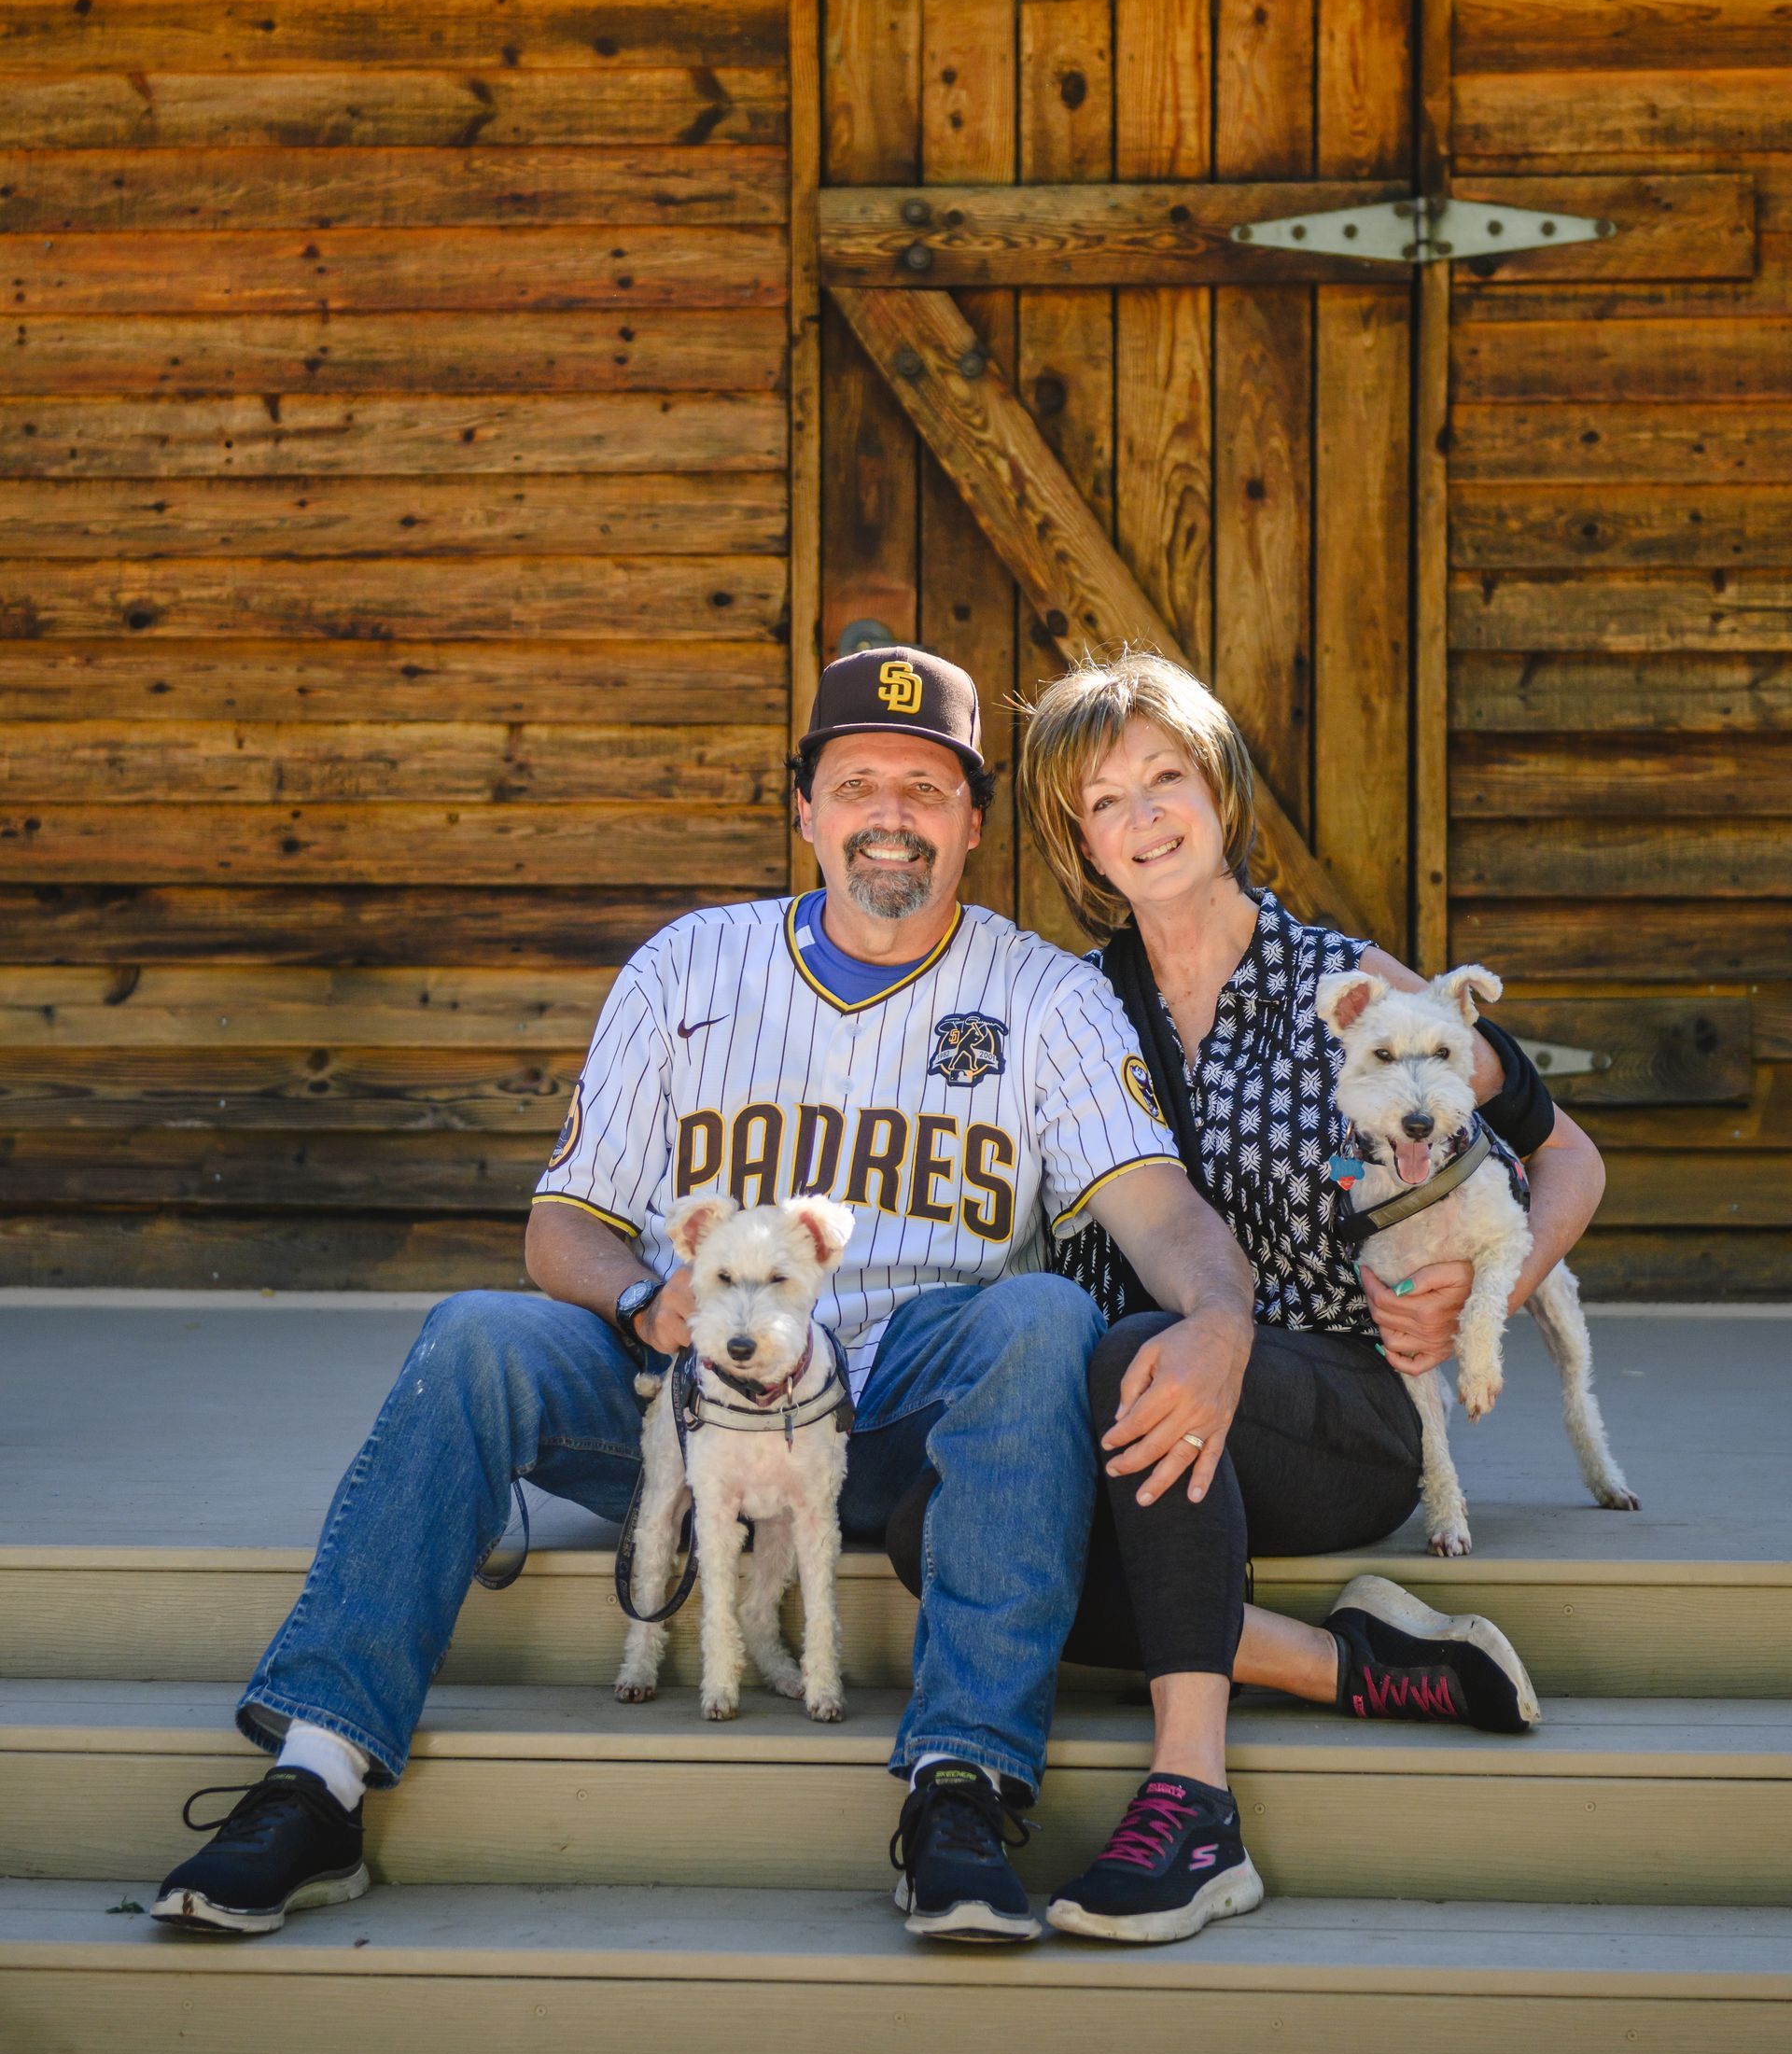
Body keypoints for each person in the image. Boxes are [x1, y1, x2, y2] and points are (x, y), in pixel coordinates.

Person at [153, 645, 1266, 1948]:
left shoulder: (1049, 996)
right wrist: (640, 1302)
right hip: (691, 1400)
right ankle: (318, 1777)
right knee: (474, 1338)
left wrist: (1219, 1316)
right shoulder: (687, 968)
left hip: (909, 1430)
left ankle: (959, 1789)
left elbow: (1161, 1213)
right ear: (804, 810)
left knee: (1042, 1318)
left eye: (924, 786)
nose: (890, 817)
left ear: (970, 819)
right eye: (858, 785)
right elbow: (562, 1229)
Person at [989, 648, 1606, 1946]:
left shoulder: (1357, 991)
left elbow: (1570, 1159)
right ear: (1077, 838)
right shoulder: (1066, 1007)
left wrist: (1470, 1299)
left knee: (1146, 1349)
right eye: (1107, 801)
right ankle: (1355, 1665)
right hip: (1148, 1429)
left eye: (1167, 778)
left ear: (1220, 789)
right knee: (950, 1529)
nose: (1145, 816)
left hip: (1334, 1408)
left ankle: (1194, 1805)